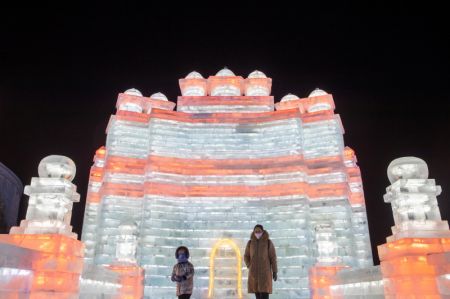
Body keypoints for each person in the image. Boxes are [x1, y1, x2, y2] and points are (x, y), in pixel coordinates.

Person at [244, 224, 278, 299]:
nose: (257, 233)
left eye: (259, 231)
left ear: (262, 231)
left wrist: (274, 271)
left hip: (265, 275)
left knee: (264, 296)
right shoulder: (250, 243)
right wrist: (249, 265)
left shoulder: (268, 242)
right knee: (258, 297)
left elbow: (273, 257)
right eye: (256, 231)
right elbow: (246, 256)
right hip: (254, 275)